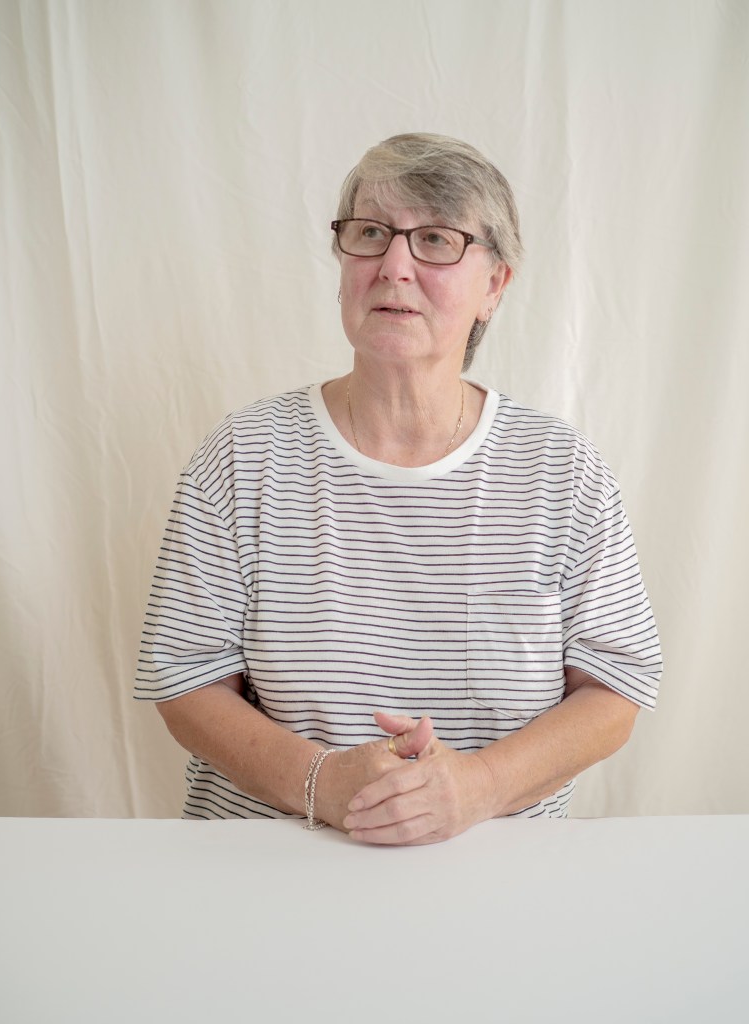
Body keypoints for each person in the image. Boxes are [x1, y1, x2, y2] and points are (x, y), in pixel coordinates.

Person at [134, 132, 662, 845]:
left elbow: (614, 689)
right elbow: (186, 678)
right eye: (371, 234)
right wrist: (323, 783)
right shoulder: (241, 456)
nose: (394, 266)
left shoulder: (562, 470)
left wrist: (480, 785)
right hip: (268, 865)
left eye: (436, 240)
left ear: (494, 286)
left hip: (504, 875)